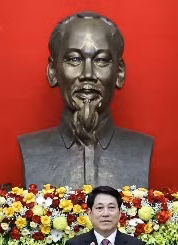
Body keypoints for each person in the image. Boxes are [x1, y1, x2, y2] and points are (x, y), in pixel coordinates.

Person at [18, 11, 153, 188]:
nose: (87, 74)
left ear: (119, 73)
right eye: (74, 59)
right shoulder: (31, 149)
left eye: (101, 60)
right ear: (53, 71)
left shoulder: (141, 148)